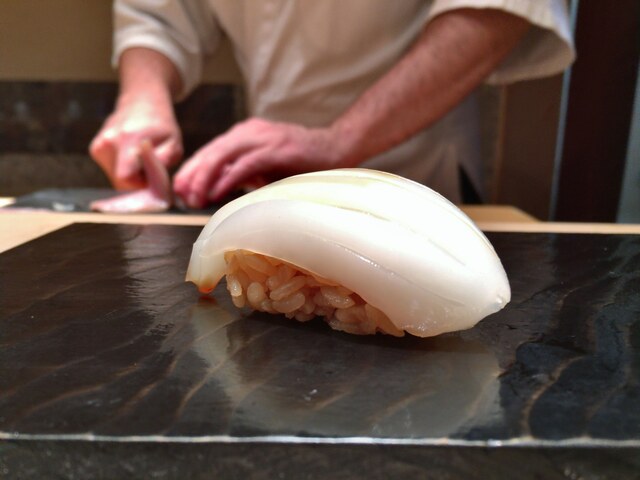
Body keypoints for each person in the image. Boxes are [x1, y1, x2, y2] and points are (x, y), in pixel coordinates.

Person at [90, 0, 575, 209]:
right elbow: (159, 14)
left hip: (415, 177)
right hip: (266, 183)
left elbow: (498, 8)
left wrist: (340, 140)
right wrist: (142, 97)